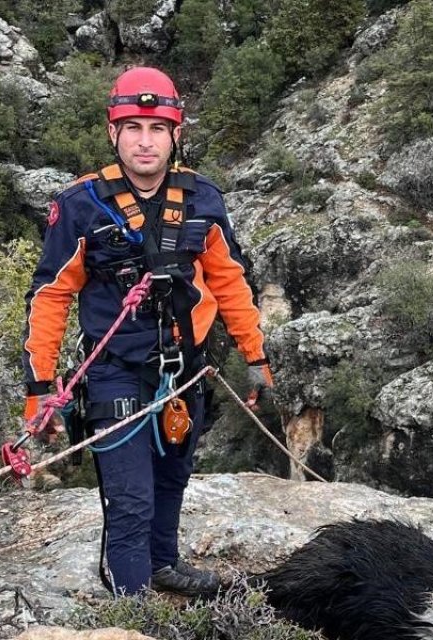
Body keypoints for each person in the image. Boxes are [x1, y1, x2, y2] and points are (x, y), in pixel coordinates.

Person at [21, 66, 274, 597]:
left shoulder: (203, 199)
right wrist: (40, 388)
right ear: (113, 132)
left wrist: (255, 356)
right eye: (133, 127)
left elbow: (230, 282)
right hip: (115, 374)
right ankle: (131, 605)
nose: (145, 140)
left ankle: (163, 564)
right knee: (130, 497)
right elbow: (51, 296)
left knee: (171, 478)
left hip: (185, 371)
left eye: (157, 128)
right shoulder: (80, 206)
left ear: (175, 134)